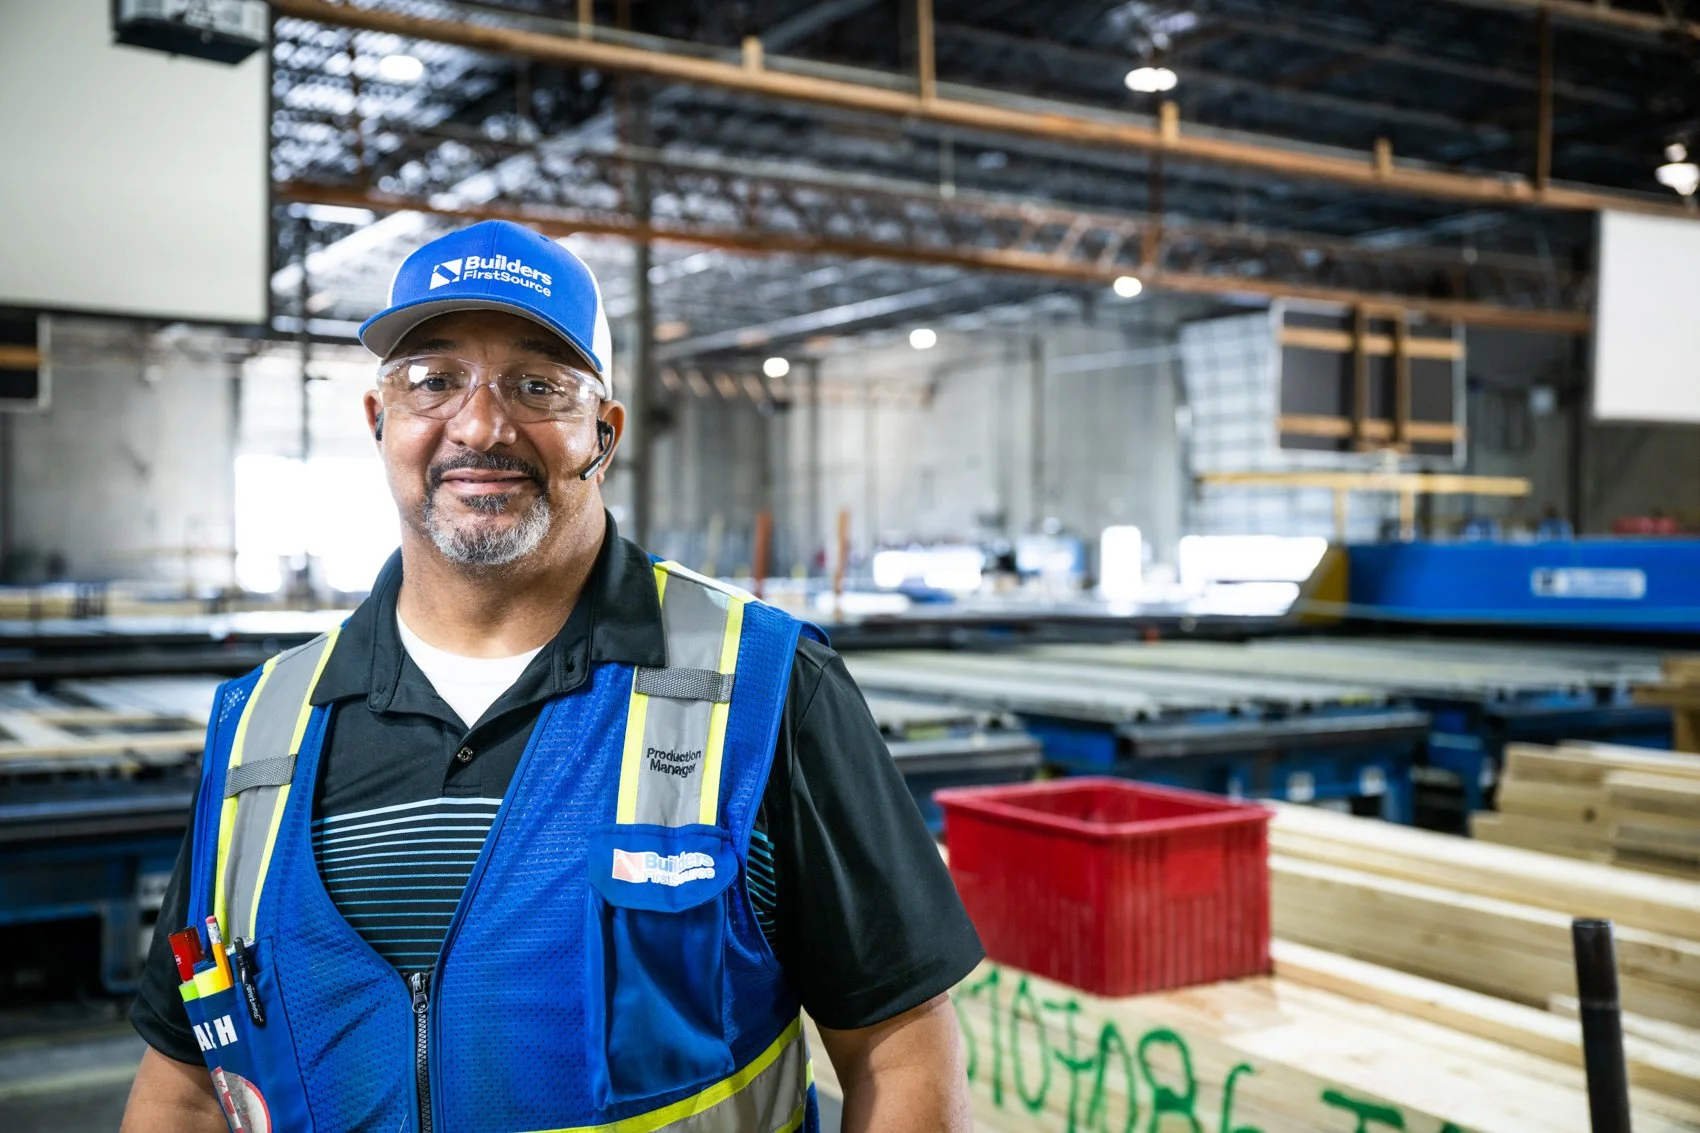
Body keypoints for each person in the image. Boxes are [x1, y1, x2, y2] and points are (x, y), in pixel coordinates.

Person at [120, 220, 981, 1133]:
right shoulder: (260, 726)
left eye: (538, 385)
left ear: (602, 435)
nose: (482, 424)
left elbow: (902, 1047)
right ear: (380, 423)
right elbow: (185, 1081)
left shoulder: (765, 686)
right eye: (433, 381)